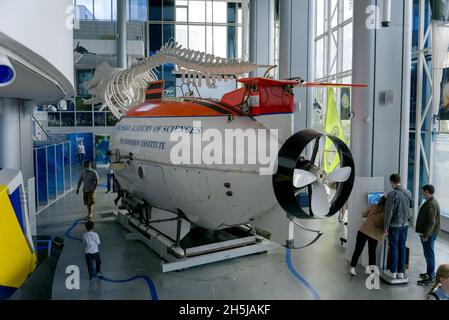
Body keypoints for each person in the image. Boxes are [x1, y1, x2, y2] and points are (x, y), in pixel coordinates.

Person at [384, 174, 413, 280]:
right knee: (402, 247)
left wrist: (385, 226)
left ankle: (393, 272)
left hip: (394, 226)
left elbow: (388, 212)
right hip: (405, 225)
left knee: (394, 248)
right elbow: (411, 205)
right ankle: (401, 272)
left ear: (392, 182)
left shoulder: (392, 194)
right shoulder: (408, 192)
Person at [349, 196, 386, 276]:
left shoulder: (373, 206)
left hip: (363, 230)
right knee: (372, 253)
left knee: (358, 250)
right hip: (374, 234)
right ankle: (371, 272)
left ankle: (352, 268)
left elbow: (363, 215)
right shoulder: (385, 213)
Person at [416, 184, 441, 286]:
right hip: (428, 233)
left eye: (423, 191)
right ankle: (429, 273)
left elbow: (431, 222)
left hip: (429, 235)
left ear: (427, 191)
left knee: (429, 255)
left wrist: (426, 235)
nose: (422, 193)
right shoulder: (430, 202)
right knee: (428, 254)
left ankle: (431, 277)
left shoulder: (431, 204)